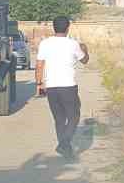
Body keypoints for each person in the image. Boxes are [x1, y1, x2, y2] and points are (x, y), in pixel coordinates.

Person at [35, 16, 89, 157]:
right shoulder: (73, 44)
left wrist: (39, 84)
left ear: (54, 27)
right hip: (68, 86)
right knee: (74, 116)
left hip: (51, 87)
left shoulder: (45, 43)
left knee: (59, 119)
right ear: (67, 28)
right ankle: (64, 144)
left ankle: (66, 150)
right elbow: (84, 60)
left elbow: (39, 65)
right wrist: (85, 49)